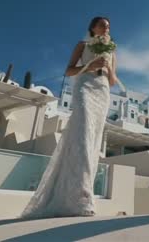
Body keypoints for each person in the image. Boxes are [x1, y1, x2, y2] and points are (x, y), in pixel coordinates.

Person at [21, 16, 118, 218]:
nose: (106, 28)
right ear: (93, 27)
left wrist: (108, 68)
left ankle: (79, 194)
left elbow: (112, 81)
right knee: (82, 136)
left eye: (108, 26)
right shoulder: (82, 45)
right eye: (102, 24)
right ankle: (82, 200)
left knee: (93, 143)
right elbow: (69, 70)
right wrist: (91, 66)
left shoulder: (112, 50)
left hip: (102, 92)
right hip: (84, 87)